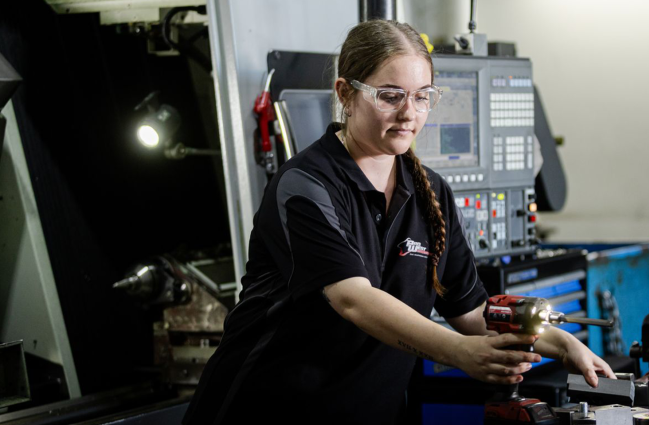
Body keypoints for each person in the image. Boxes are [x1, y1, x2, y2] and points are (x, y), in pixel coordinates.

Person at [183, 20, 615, 425]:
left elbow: (473, 311)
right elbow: (354, 299)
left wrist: (560, 344)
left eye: (422, 96)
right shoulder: (305, 185)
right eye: (390, 96)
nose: (410, 113)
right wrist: (460, 352)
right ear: (346, 94)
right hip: (270, 409)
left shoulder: (431, 192)